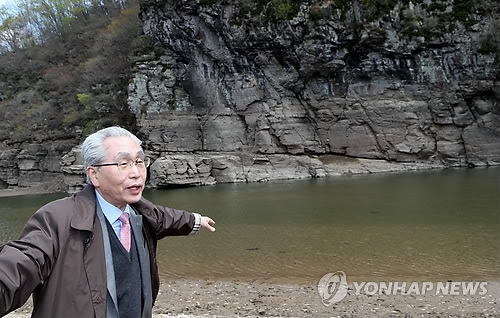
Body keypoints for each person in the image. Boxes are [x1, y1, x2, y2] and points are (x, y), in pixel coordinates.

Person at [0, 126, 216, 318]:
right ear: (94, 175)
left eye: (139, 162)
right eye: (123, 163)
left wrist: (196, 220)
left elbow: (166, 218)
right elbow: (21, 263)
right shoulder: (56, 219)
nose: (136, 174)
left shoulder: (141, 212)